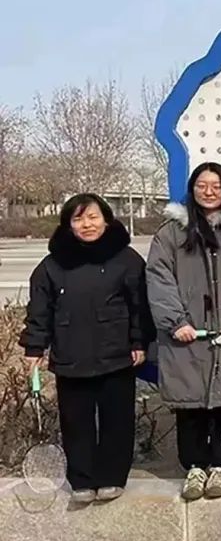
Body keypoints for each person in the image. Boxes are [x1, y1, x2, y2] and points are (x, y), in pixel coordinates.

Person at [19, 194, 152, 503]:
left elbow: (140, 306)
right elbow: (39, 311)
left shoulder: (127, 259)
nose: (87, 224)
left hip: (117, 353)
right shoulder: (52, 265)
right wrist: (34, 348)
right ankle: (81, 480)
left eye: (93, 217)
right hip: (70, 355)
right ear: (69, 225)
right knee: (75, 421)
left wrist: (139, 341)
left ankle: (112, 477)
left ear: (106, 219)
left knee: (117, 419)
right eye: (78, 219)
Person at [147, 163, 221, 501]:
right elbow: (159, 278)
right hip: (187, 335)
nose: (208, 192)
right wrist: (176, 321)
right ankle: (195, 466)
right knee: (190, 402)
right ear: (192, 189)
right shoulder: (171, 234)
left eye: (216, 185)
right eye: (202, 185)